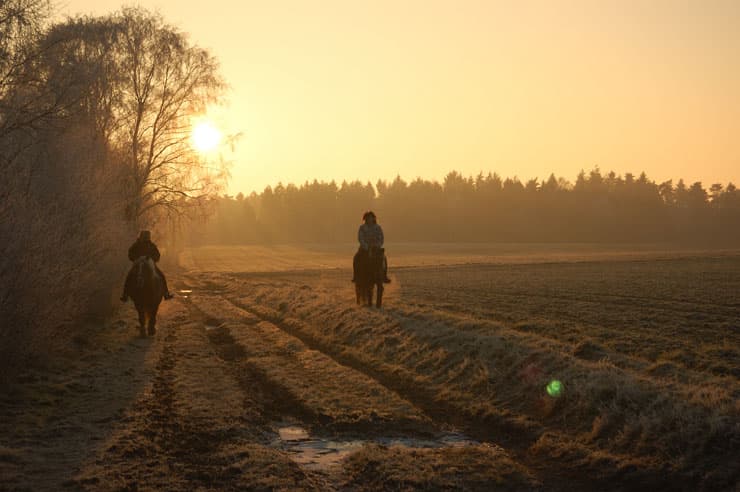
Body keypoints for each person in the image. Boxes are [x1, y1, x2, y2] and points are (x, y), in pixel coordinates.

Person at [120, 230, 173, 302]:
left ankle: (166, 293)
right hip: (138, 264)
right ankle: (125, 295)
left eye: (147, 237)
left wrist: (152, 259)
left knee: (161, 275)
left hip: (150, 263)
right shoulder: (136, 245)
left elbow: (157, 255)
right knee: (130, 275)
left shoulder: (151, 245)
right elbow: (130, 254)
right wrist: (136, 258)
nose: (146, 238)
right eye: (145, 236)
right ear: (141, 236)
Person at [353, 211, 391, 283]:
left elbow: (381, 238)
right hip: (364, 248)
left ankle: (384, 276)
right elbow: (360, 238)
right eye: (368, 218)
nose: (369, 219)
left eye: (371, 218)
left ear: (373, 218)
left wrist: (377, 245)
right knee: (356, 257)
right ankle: (356, 276)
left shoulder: (378, 227)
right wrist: (366, 246)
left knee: (384, 258)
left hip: (376, 248)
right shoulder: (362, 228)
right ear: (365, 219)